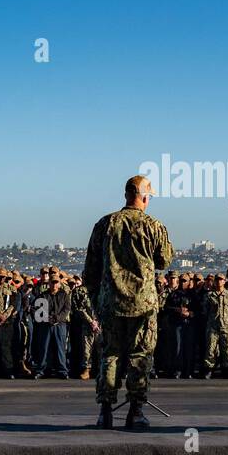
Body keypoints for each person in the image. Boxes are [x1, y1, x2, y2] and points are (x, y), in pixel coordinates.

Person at [82, 174, 174, 429]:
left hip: (111, 303)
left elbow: (90, 269)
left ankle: (105, 412)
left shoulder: (105, 224)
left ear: (126, 195)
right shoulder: (153, 226)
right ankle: (135, 411)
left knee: (110, 355)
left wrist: (95, 300)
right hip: (143, 304)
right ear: (145, 197)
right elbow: (164, 260)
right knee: (140, 356)